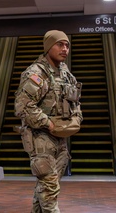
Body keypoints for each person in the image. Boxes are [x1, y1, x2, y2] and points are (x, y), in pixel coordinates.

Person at [14, 30, 83, 213]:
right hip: (41, 138)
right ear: (48, 47)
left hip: (61, 139)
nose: (65, 49)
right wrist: (49, 124)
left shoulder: (65, 73)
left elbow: (75, 101)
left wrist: (77, 118)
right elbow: (23, 106)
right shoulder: (36, 73)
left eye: (67, 45)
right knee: (50, 190)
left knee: (46, 188)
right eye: (59, 44)